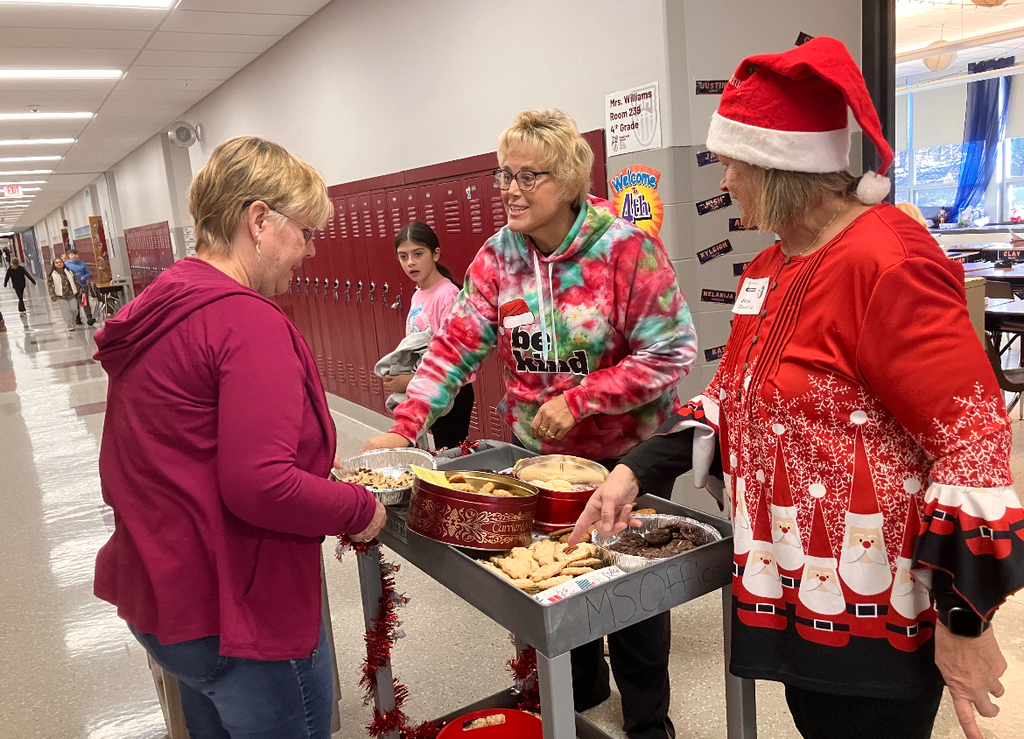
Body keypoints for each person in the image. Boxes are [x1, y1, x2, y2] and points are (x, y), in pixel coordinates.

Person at [569, 37, 1024, 739]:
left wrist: (965, 617)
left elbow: (972, 444)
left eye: (730, 163)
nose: (722, 181)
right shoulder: (768, 269)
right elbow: (730, 400)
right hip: (791, 591)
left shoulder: (888, 260)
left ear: (778, 167)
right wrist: (636, 469)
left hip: (876, 611)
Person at [365, 109, 698, 739]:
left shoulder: (627, 250)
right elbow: (453, 348)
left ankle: (649, 719)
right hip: (539, 458)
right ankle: (580, 688)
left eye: (529, 176)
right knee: (558, 576)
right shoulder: (499, 257)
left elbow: (673, 351)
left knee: (628, 589)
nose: (511, 190)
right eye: (504, 176)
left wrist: (581, 399)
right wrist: (406, 426)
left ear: (570, 181)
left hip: (627, 454)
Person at [92, 135, 387, 739]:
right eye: (305, 232)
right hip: (237, 611)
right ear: (258, 220)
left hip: (165, 593)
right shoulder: (245, 321)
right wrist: (358, 507)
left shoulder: (169, 298)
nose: (309, 252)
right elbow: (262, 484)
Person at [384, 221, 475, 449]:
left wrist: (410, 380)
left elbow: (454, 358)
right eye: (403, 256)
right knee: (431, 453)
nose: (410, 262)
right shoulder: (418, 294)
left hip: (451, 391)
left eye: (418, 254)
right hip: (426, 387)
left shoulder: (447, 295)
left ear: (435, 254)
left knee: (450, 457)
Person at [47, 256, 80, 332]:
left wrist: (79, 289)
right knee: (65, 311)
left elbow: (75, 281)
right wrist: (52, 296)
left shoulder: (69, 271)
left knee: (74, 309)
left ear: (63, 263)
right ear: (54, 265)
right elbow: (50, 286)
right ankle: (70, 325)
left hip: (71, 294)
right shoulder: (52, 274)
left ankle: (72, 320)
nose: (59, 264)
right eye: (57, 263)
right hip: (61, 295)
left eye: (60, 262)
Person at [64, 248, 95, 326]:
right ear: (69, 256)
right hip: (73, 287)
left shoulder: (82, 264)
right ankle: (77, 318)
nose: (74, 256)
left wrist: (84, 277)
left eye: (76, 254)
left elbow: (88, 273)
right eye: (72, 255)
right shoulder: (67, 265)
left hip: (82, 286)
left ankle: (89, 317)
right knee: (75, 303)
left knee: (84, 302)